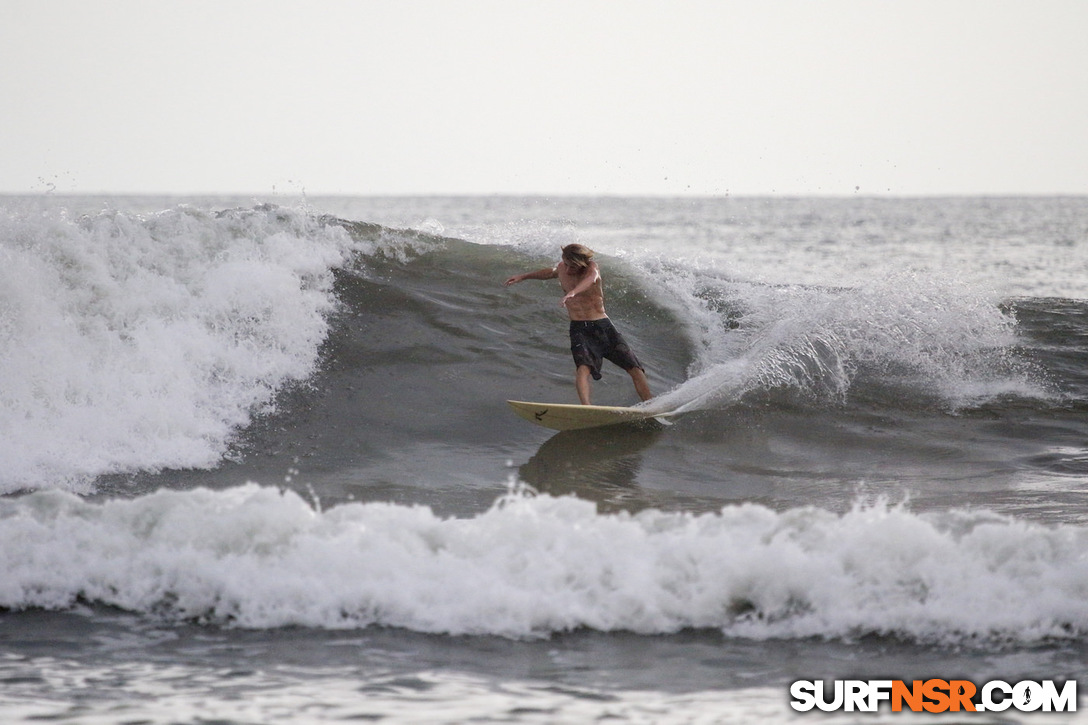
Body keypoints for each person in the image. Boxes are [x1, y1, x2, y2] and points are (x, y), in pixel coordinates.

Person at [504, 244, 652, 405]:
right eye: (565, 264)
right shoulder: (562, 268)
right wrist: (524, 276)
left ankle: (651, 404)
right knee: (583, 368)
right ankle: (587, 408)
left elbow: (591, 279)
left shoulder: (592, 269)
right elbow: (550, 272)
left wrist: (573, 292)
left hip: (602, 325)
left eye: (572, 266)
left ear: (581, 264)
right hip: (579, 328)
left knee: (634, 368)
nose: (567, 270)